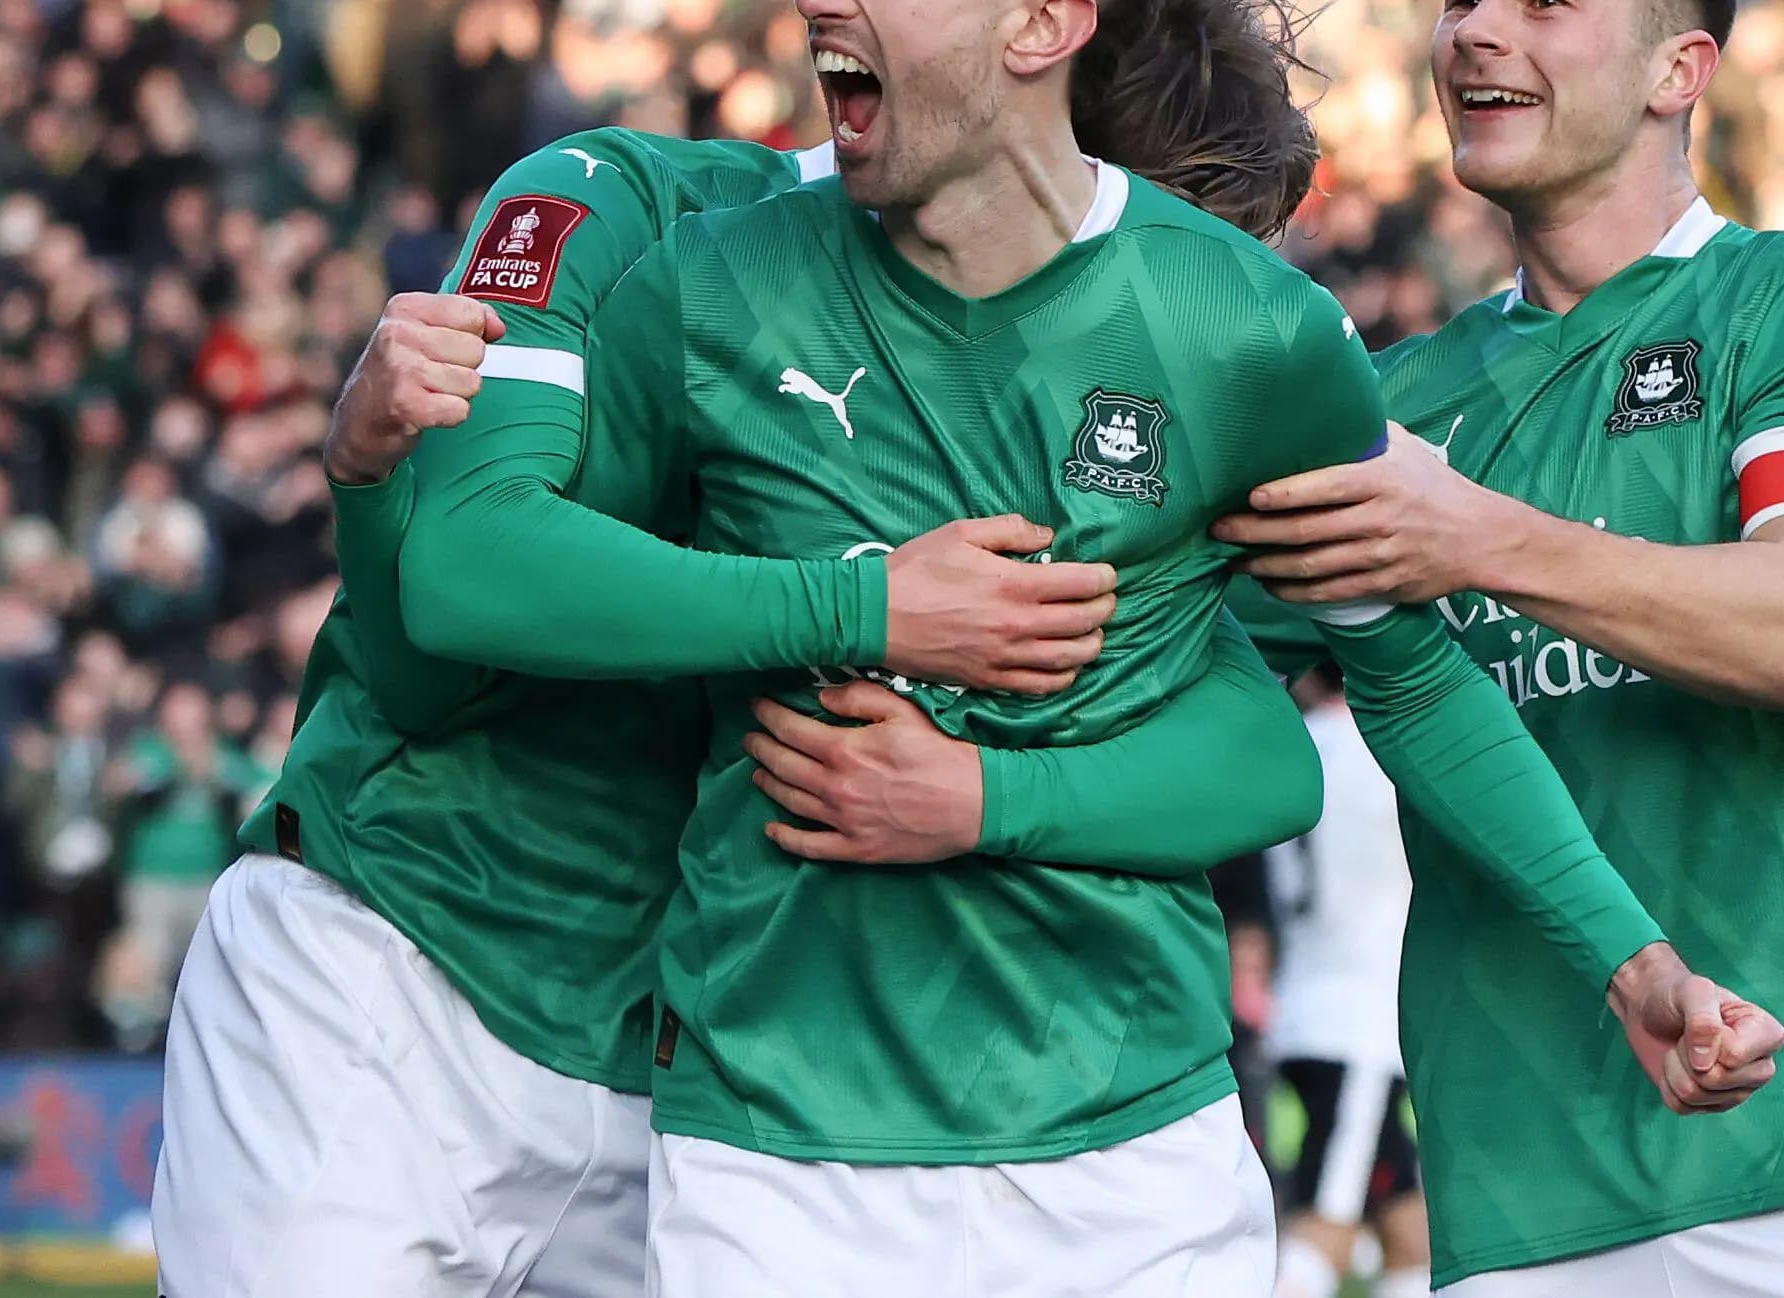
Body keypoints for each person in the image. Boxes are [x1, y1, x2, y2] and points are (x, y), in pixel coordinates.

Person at [394, 0, 1781, 1298]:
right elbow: (489, 573)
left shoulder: (1250, 334)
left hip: (1129, 1140)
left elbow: (1350, 703)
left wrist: (1627, 953)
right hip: (769, 1136)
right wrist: (381, 456)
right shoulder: (697, 279)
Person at [152, 152, 1333, 1291]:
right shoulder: (626, 208)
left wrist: (978, 800)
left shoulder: (1034, 435)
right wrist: (869, 608)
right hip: (403, 970)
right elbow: (441, 630)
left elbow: (1263, 746)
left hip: (670, 1073)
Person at [1214, 0, 1784, 1294]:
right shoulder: (1388, 405)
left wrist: (1475, 539)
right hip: (1514, 1195)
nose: (1473, 30)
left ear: (1673, 69)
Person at [1263, 654, 1428, 1298]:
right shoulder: (1389, 753)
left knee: (1410, 1233)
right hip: (1362, 1022)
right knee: (1323, 1230)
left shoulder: (1290, 751)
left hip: (1301, 1004)